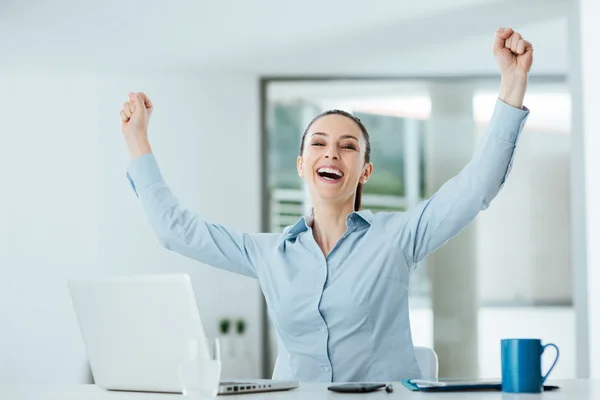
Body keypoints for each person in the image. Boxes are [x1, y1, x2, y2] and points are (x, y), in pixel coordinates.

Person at [120, 27, 532, 382]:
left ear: (365, 171)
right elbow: (176, 231)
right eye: (319, 144)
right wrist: (138, 140)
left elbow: (476, 186)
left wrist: (512, 85)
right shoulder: (269, 254)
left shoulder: (398, 238)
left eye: (347, 146)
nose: (331, 153)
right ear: (302, 165)